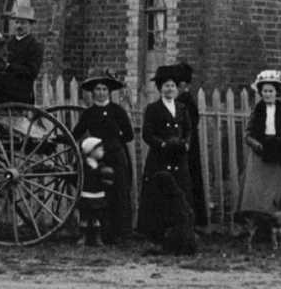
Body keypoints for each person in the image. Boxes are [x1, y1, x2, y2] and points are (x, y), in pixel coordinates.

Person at [72, 68, 134, 243]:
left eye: (104, 90)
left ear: (109, 92)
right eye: (98, 90)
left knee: (119, 192)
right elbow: (77, 132)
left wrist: (116, 136)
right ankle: (100, 234)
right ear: (92, 93)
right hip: (98, 158)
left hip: (116, 156)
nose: (101, 93)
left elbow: (129, 135)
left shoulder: (117, 111)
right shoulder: (89, 113)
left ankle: (121, 234)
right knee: (100, 195)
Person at [235, 70, 281, 244]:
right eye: (265, 91)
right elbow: (247, 134)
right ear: (261, 93)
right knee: (257, 192)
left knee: (276, 194)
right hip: (260, 155)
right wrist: (258, 145)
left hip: (278, 154)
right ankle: (257, 231)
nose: (268, 94)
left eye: (271, 91)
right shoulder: (257, 110)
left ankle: (274, 232)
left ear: (277, 93)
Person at [136, 64, 193, 241]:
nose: (170, 89)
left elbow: (189, 129)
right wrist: (161, 144)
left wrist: (185, 144)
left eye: (173, 86)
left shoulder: (182, 108)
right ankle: (156, 233)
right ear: (160, 89)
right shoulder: (153, 109)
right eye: (166, 86)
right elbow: (147, 134)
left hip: (178, 157)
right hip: (160, 157)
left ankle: (179, 230)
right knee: (158, 192)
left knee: (179, 191)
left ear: (177, 89)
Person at [174, 61, 208, 228]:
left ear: (181, 85)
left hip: (186, 147)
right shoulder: (185, 101)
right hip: (186, 145)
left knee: (188, 182)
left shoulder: (184, 103)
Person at [0, 5, 43, 105]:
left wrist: (9, 67)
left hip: (21, 93)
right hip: (2, 92)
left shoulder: (35, 45)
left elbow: (32, 72)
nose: (19, 26)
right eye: (17, 22)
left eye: (23, 23)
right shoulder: (7, 42)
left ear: (30, 25)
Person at [78, 137, 114, 247]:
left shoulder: (101, 165)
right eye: (100, 149)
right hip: (86, 194)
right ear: (91, 151)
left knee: (96, 218)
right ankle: (83, 237)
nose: (102, 151)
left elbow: (106, 178)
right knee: (84, 217)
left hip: (98, 195)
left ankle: (97, 238)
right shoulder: (83, 165)